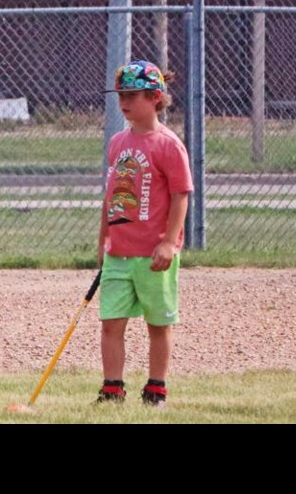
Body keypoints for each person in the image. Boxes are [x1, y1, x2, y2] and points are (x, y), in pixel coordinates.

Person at [97, 60, 193, 407]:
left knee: (157, 323)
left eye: (132, 95)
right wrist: (103, 238)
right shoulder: (118, 143)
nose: (124, 102)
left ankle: (156, 389)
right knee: (110, 322)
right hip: (119, 253)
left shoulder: (168, 145)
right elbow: (111, 195)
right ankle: (112, 389)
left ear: (154, 97)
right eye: (121, 94)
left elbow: (181, 194)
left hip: (153, 254)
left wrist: (169, 242)